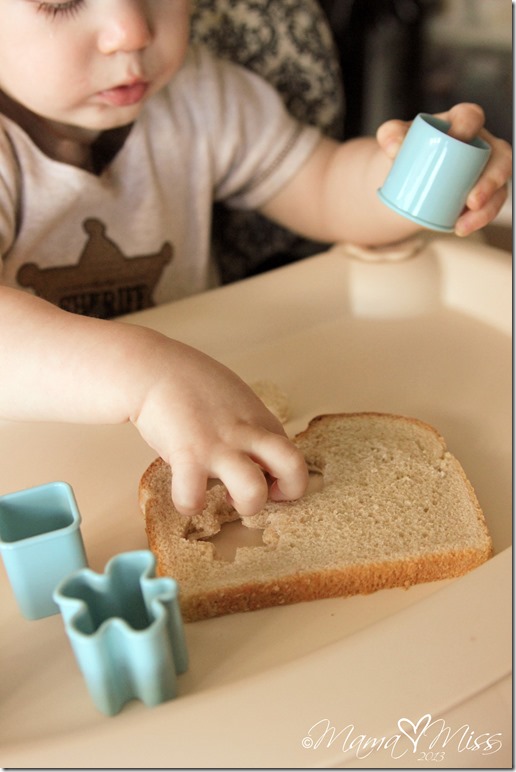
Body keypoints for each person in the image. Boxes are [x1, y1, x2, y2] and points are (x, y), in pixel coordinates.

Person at [0, 1, 511, 519]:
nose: (132, 31)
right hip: (36, 464)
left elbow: (324, 188)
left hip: (210, 403)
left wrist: (424, 172)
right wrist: (149, 379)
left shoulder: (201, 95)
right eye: (59, 0)